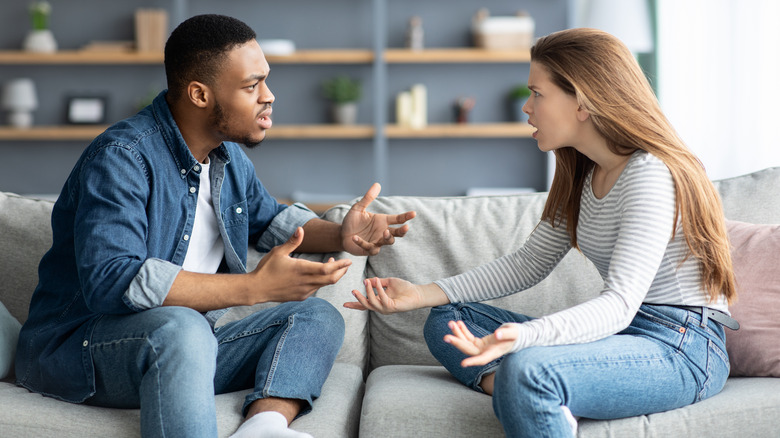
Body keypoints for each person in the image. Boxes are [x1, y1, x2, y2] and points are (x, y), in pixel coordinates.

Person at [15, 14, 415, 438]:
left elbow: (269, 220)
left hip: (189, 345)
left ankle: (264, 426)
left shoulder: (227, 158)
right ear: (200, 94)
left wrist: (340, 234)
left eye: (266, 81)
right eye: (251, 86)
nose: (269, 96)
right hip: (82, 351)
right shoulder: (122, 157)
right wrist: (255, 288)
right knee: (182, 327)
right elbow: (112, 280)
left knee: (316, 316)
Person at [345, 28, 739, 437]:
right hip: (625, 335)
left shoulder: (649, 174)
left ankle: (531, 388)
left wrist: (525, 338)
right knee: (448, 319)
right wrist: (421, 293)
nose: (526, 107)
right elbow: (529, 263)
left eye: (537, 93)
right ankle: (530, 395)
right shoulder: (581, 171)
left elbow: (620, 303)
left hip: (680, 346)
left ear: (583, 101)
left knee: (526, 367)